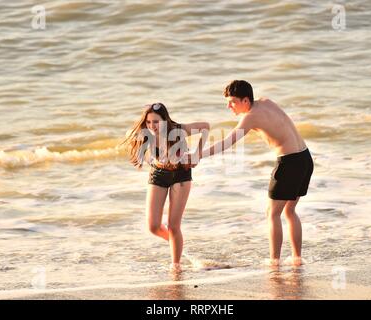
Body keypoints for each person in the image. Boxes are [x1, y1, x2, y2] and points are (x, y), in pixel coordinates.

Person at [188, 80, 314, 266]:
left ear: (245, 100)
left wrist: (199, 155)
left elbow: (228, 142)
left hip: (289, 163)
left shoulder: (250, 117)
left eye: (232, 102)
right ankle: (297, 259)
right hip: (304, 158)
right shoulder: (267, 102)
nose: (228, 106)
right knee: (289, 210)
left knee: (272, 214)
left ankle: (275, 262)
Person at [122, 102, 209, 272]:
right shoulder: (146, 133)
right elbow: (130, 135)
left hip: (181, 175)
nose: (152, 126)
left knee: (173, 226)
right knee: (153, 226)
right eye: (148, 122)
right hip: (158, 174)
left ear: (165, 120)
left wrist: (197, 154)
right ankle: (176, 243)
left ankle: (176, 266)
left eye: (156, 122)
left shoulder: (179, 130)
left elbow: (205, 127)